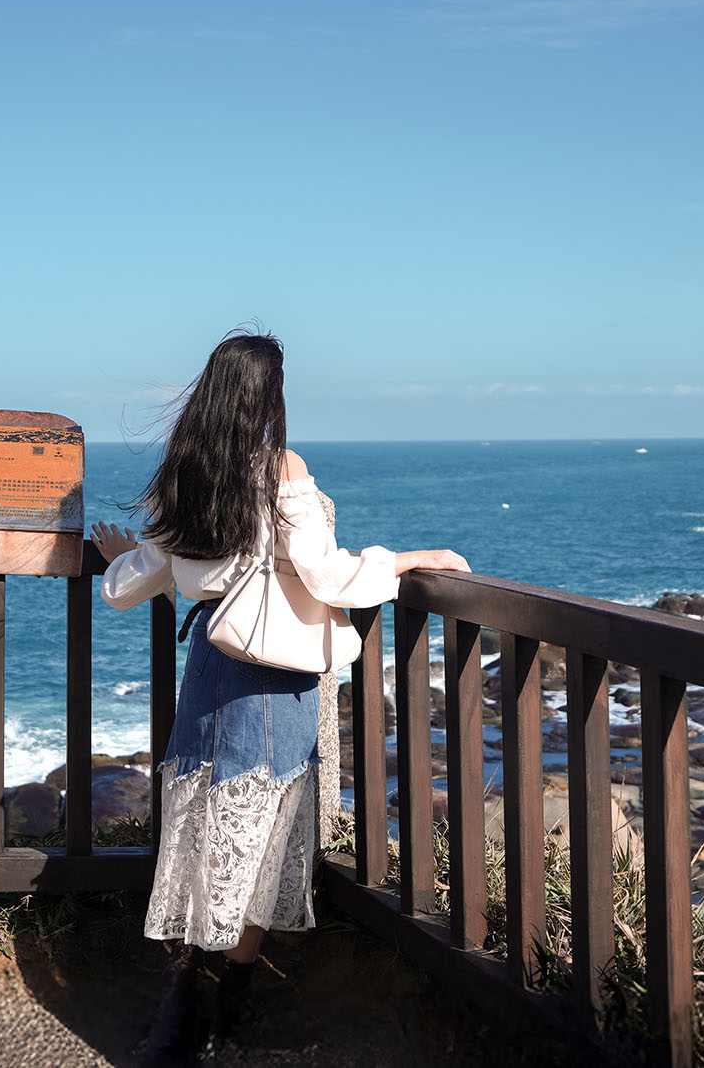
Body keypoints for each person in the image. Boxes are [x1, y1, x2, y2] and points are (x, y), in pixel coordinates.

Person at [90, 331, 469, 1061]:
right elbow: (328, 578)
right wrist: (412, 559)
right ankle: (226, 1008)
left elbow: (142, 577)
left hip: (207, 670)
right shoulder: (279, 470)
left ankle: (180, 997)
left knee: (205, 831)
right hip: (273, 684)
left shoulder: (189, 473)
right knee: (262, 844)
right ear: (269, 396)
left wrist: (116, 562)